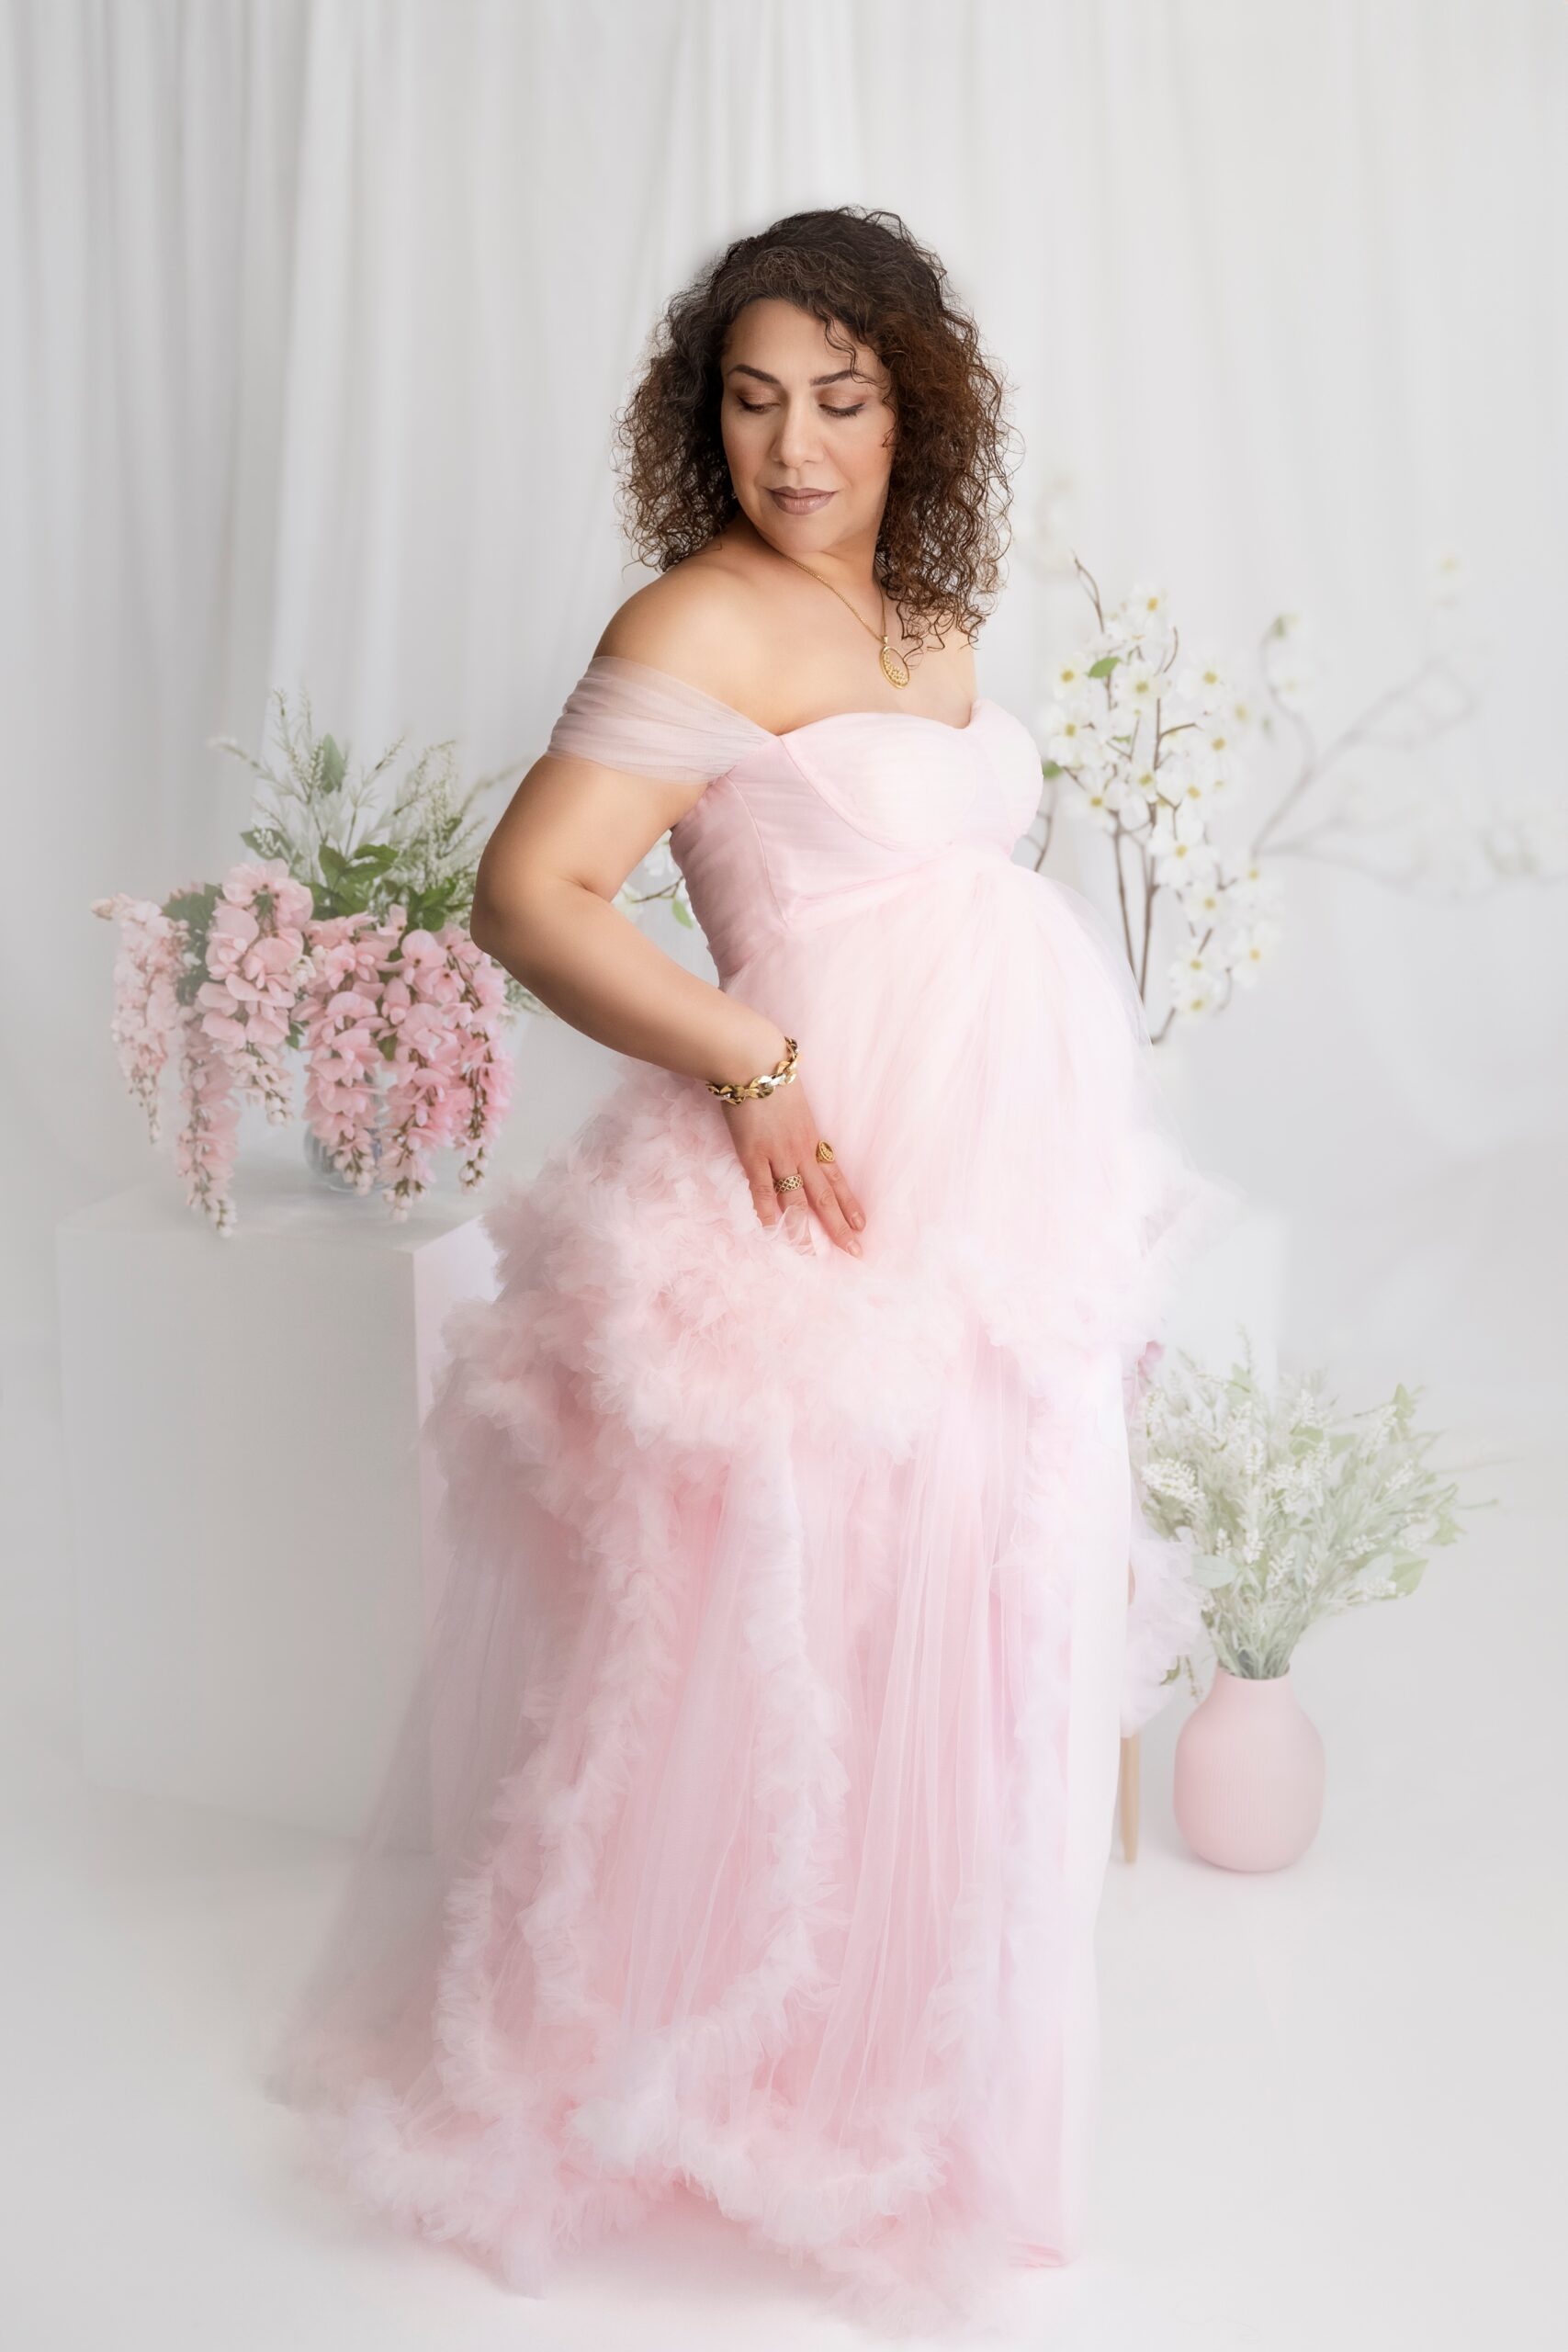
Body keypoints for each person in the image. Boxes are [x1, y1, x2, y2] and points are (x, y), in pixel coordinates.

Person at [265, 205, 1237, 2339]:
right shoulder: (695, 616)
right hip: (806, 1186)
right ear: (701, 417)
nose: (795, 443)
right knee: (772, 1653)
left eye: (843, 395)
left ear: (916, 407)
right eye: (752, 397)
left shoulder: (931, 624)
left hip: (993, 1205)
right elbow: (534, 890)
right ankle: (713, 2082)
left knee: (967, 1633)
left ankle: (923, 2102)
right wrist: (751, 1054)